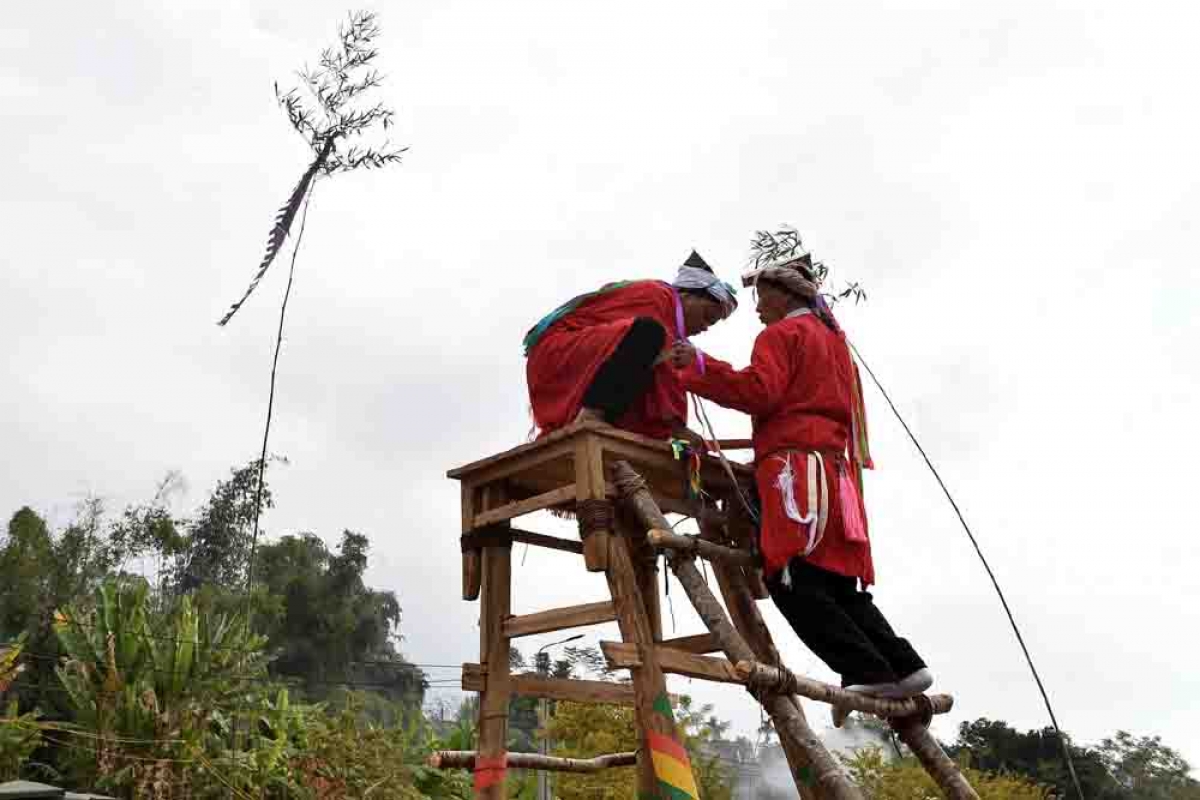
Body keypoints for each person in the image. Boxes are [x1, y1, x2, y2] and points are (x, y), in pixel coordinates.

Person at [675, 250, 931, 722]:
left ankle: (865, 669)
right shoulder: (834, 341)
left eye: (761, 296)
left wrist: (698, 367)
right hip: (836, 476)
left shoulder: (782, 334)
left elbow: (759, 392)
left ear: (784, 293)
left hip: (797, 474)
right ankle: (903, 664)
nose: (756, 309)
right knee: (835, 579)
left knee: (789, 576)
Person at [523, 251, 737, 441]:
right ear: (688, 295)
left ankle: (602, 418)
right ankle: (591, 416)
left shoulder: (673, 331)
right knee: (648, 333)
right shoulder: (656, 296)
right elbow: (662, 362)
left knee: (653, 345)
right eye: (708, 316)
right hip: (558, 352)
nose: (705, 326)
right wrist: (675, 427)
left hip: (585, 354)